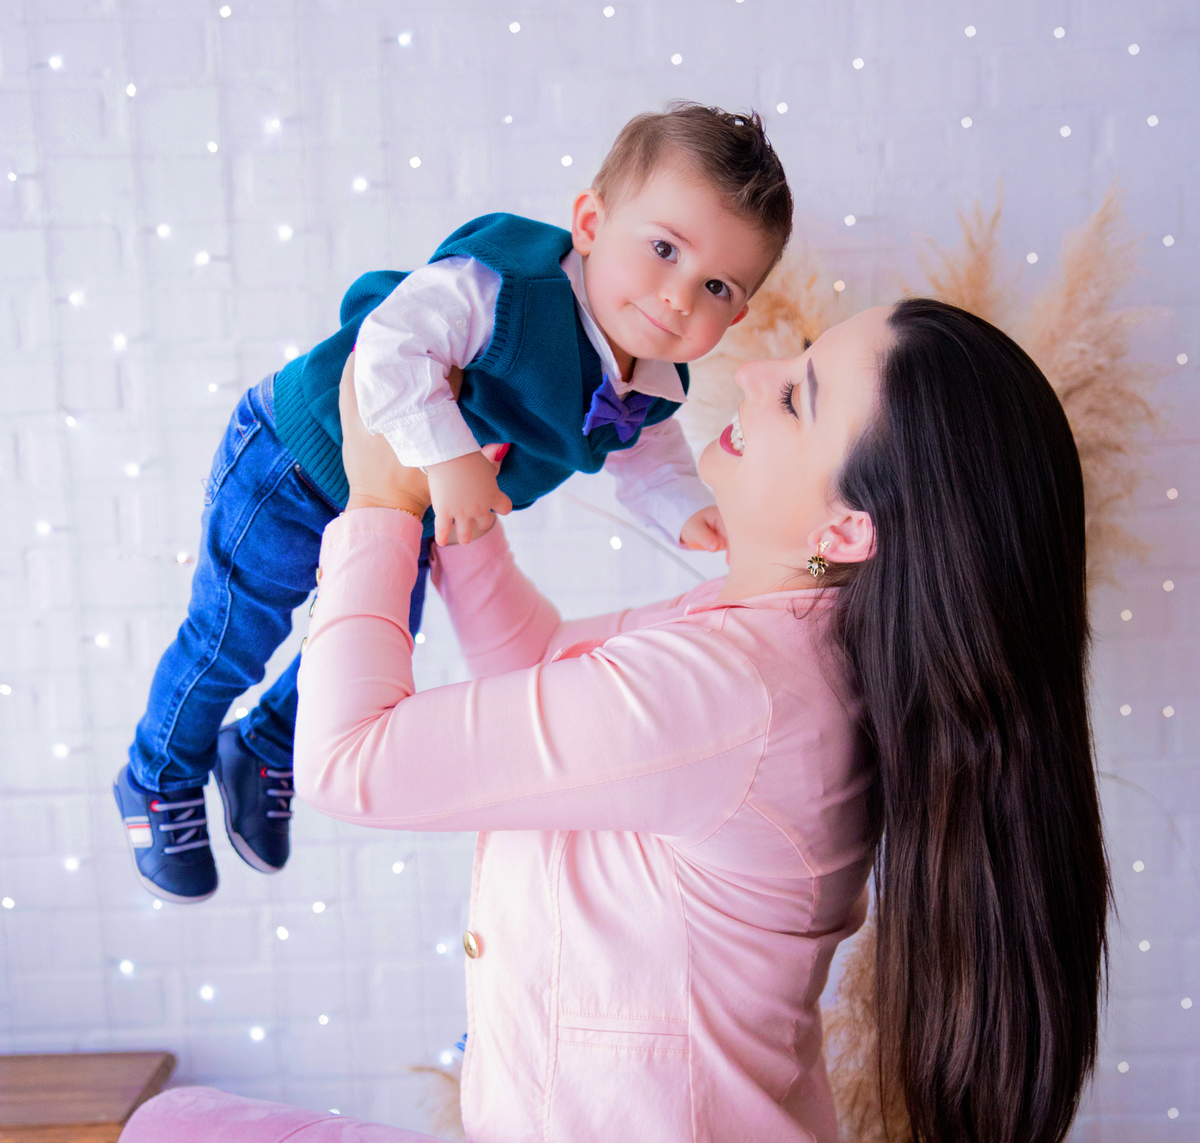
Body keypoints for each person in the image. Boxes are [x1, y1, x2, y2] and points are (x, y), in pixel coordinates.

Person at [293, 297, 1109, 1143]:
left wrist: (377, 515)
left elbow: (349, 763)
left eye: (799, 395)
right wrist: (467, 533)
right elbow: (563, 708)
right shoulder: (768, 637)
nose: (756, 372)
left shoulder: (737, 684)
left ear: (848, 529)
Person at [112, 103, 792, 904]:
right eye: (664, 249)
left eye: (715, 285)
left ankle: (264, 746)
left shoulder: (649, 385)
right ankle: (157, 776)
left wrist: (691, 514)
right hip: (296, 460)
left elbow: (644, 458)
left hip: (395, 517)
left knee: (376, 642)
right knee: (235, 633)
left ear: (738, 312)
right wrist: (449, 456)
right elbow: (390, 345)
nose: (679, 296)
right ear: (589, 222)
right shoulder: (505, 286)